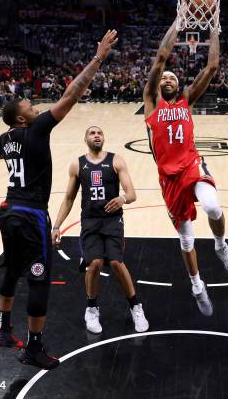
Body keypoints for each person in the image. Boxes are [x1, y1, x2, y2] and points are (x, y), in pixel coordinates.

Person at [0, 30, 118, 369]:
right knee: (39, 278)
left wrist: (10, 151)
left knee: (12, 269)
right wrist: (98, 58)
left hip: (8, 210)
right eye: (29, 105)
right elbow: (73, 94)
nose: (34, 103)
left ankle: (2, 329)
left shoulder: (7, 136)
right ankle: (34, 348)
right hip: (30, 215)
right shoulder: (37, 128)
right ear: (21, 118)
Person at [142, 17, 228, 317]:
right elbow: (160, 57)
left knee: (212, 207)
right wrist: (178, 21)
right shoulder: (151, 102)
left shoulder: (186, 101)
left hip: (192, 165)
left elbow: (211, 67)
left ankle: (222, 246)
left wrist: (214, 29)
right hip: (168, 178)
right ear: (158, 85)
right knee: (186, 238)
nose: (168, 80)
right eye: (164, 79)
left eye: (172, 77)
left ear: (179, 84)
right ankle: (197, 285)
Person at [51, 126, 149, 334]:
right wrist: (57, 225)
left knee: (115, 262)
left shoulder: (116, 160)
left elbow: (131, 193)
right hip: (90, 221)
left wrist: (122, 198)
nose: (97, 135)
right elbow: (69, 198)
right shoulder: (77, 164)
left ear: (104, 138)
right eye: (92, 133)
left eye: (100, 133)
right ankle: (92, 309)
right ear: (85, 138)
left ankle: (135, 307)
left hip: (113, 221)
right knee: (94, 263)